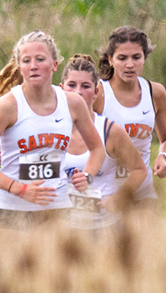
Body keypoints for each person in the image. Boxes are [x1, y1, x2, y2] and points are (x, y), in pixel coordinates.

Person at [0, 31, 107, 228]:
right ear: (20, 68)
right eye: (26, 61)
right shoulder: (8, 105)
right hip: (13, 210)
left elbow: (97, 149)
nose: (33, 66)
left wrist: (87, 175)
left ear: (54, 65)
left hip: (57, 209)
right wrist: (19, 189)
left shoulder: (72, 103)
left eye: (40, 59)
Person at [60, 55, 148, 231]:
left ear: (96, 92)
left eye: (85, 86)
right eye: (72, 85)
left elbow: (139, 170)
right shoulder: (51, 129)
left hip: (103, 227)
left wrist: (118, 199)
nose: (78, 92)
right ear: (61, 89)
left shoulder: (110, 131)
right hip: (64, 230)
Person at [98, 25, 166, 204]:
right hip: (106, 195)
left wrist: (163, 157)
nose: (130, 64)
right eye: (122, 58)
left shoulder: (155, 92)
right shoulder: (98, 93)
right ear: (110, 59)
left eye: (136, 57)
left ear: (144, 58)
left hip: (142, 193)